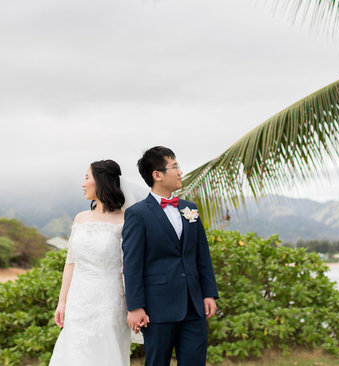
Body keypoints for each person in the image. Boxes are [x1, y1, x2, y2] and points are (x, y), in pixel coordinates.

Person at [122, 146, 218, 366]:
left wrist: (208, 294)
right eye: (175, 167)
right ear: (157, 175)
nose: (180, 172)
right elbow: (132, 264)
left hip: (194, 306)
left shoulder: (190, 209)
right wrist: (135, 307)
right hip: (157, 310)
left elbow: (201, 256)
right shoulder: (137, 214)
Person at [50, 159, 130, 365]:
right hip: (78, 301)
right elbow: (71, 263)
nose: (83, 184)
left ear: (102, 181)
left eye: (87, 178)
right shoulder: (80, 219)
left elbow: (129, 267)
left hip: (109, 300)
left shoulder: (125, 221)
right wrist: (62, 302)